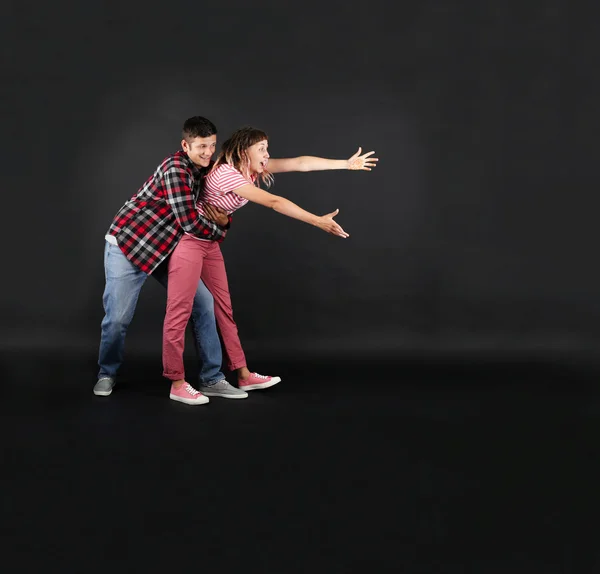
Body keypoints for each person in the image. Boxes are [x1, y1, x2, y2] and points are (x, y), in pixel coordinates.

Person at [162, 126, 378, 404]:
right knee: (179, 310)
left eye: (267, 148)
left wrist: (346, 164)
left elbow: (300, 164)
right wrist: (317, 221)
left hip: (210, 241)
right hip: (188, 241)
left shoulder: (249, 169)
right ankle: (176, 382)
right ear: (243, 152)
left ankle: (242, 375)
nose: (267, 154)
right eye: (261, 149)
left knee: (223, 309)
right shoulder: (228, 172)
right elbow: (274, 202)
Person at [94, 117, 279, 402]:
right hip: (129, 246)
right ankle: (107, 372)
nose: (208, 152)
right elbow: (191, 222)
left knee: (205, 303)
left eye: (212, 145)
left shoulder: (208, 169)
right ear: (186, 145)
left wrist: (224, 218)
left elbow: (216, 203)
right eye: (202, 146)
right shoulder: (175, 169)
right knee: (117, 319)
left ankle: (212, 378)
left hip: (166, 248)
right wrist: (223, 227)